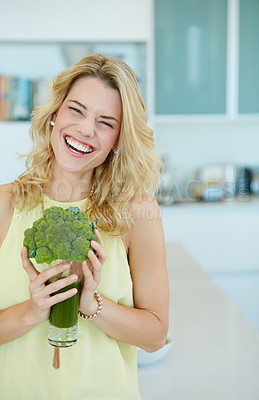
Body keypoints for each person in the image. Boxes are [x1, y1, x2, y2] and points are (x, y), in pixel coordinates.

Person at [0, 53, 169, 400]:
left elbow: (155, 335)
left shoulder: (136, 213)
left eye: (106, 122)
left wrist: (93, 305)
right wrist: (32, 311)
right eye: (76, 110)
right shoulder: (5, 204)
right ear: (55, 114)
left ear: (119, 139)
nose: (86, 129)